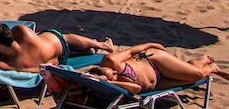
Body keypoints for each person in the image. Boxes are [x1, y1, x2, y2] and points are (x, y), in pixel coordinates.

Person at [0, 22, 114, 72]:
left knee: (68, 44)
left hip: (58, 60)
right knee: (64, 38)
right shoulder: (21, 31)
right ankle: (102, 44)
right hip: (56, 42)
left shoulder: (11, 64)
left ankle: (97, 46)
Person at [88, 43, 229, 92]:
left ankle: (203, 61)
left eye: (111, 70)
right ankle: (213, 69)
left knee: (197, 74)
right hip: (157, 83)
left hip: (153, 61)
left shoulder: (110, 60)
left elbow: (131, 52)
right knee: (190, 81)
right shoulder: (113, 84)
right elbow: (137, 89)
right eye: (112, 74)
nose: (114, 71)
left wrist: (150, 44)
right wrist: (109, 83)